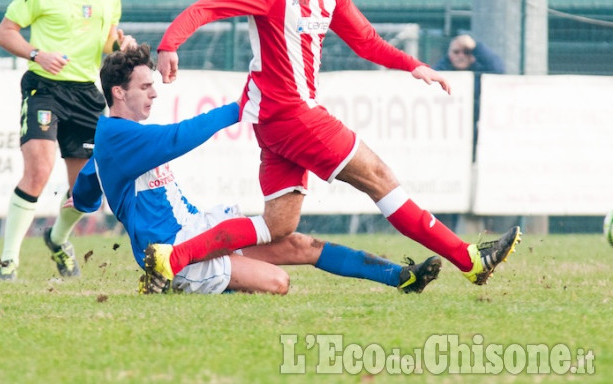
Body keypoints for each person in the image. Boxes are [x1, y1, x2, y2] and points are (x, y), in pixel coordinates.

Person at [151, 0, 521, 290]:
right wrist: (170, 45)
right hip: (296, 116)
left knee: (279, 225)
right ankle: (470, 259)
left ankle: (172, 257)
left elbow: (366, 41)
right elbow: (207, 7)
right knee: (379, 178)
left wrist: (413, 65)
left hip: (277, 125)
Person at [49, 44, 442, 295]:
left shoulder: (112, 141)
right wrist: (241, 107)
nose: (154, 92)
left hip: (196, 227)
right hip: (170, 247)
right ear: (119, 92)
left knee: (300, 245)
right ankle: (167, 280)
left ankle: (399, 277)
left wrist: (78, 201)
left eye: (153, 85)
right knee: (278, 282)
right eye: (146, 87)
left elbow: (87, 187)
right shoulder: (117, 135)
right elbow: (177, 138)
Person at [0, 0, 135, 281]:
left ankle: (57, 240)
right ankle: (8, 261)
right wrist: (39, 54)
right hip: (45, 88)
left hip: (87, 94)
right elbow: (5, 33)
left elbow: (107, 41)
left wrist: (120, 44)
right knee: (38, 171)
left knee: (88, 191)